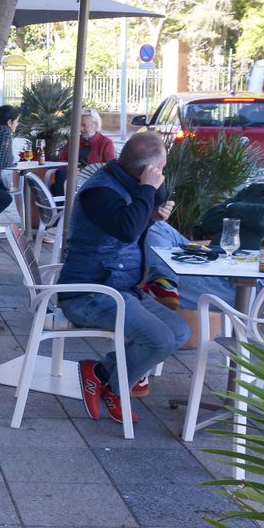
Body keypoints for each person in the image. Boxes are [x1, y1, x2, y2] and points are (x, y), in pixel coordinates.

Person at [57, 131, 191, 424]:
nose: (163, 175)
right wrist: (146, 191)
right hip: (87, 294)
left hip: (119, 289)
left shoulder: (126, 181)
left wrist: (152, 211)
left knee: (179, 332)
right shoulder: (100, 192)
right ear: (147, 171)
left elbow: (143, 212)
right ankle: (116, 391)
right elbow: (127, 229)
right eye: (161, 169)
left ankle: (101, 373)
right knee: (158, 340)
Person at [146, 132, 264, 311]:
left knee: (142, 288)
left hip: (258, 281)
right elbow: (209, 220)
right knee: (157, 227)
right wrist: (254, 210)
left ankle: (156, 289)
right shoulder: (254, 191)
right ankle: (164, 282)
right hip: (217, 265)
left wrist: (235, 208)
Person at [51, 108, 117, 196]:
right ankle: (62, 206)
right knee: (60, 176)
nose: (81, 129)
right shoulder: (74, 141)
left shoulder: (106, 143)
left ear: (95, 125)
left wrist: (83, 172)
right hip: (71, 177)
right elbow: (60, 160)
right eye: (79, 125)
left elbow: (111, 167)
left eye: (84, 125)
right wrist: (70, 168)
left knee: (60, 179)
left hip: (92, 180)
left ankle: (60, 206)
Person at [0, 104, 21, 217]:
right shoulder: (5, 132)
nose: (17, 124)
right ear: (9, 122)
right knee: (6, 199)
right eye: (16, 121)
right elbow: (5, 163)